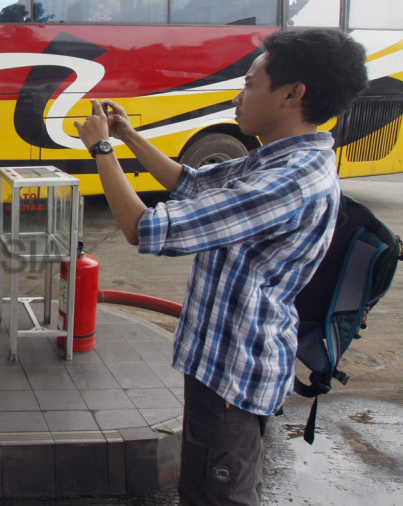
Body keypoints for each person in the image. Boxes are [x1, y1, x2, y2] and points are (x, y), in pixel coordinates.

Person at [73, 28, 369, 505]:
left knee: (217, 495)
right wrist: (128, 135)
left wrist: (102, 150)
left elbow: (144, 229)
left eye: (251, 83)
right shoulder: (273, 160)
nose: (239, 94)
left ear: (293, 95)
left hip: (234, 375)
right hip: (219, 366)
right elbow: (188, 182)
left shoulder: (288, 182)